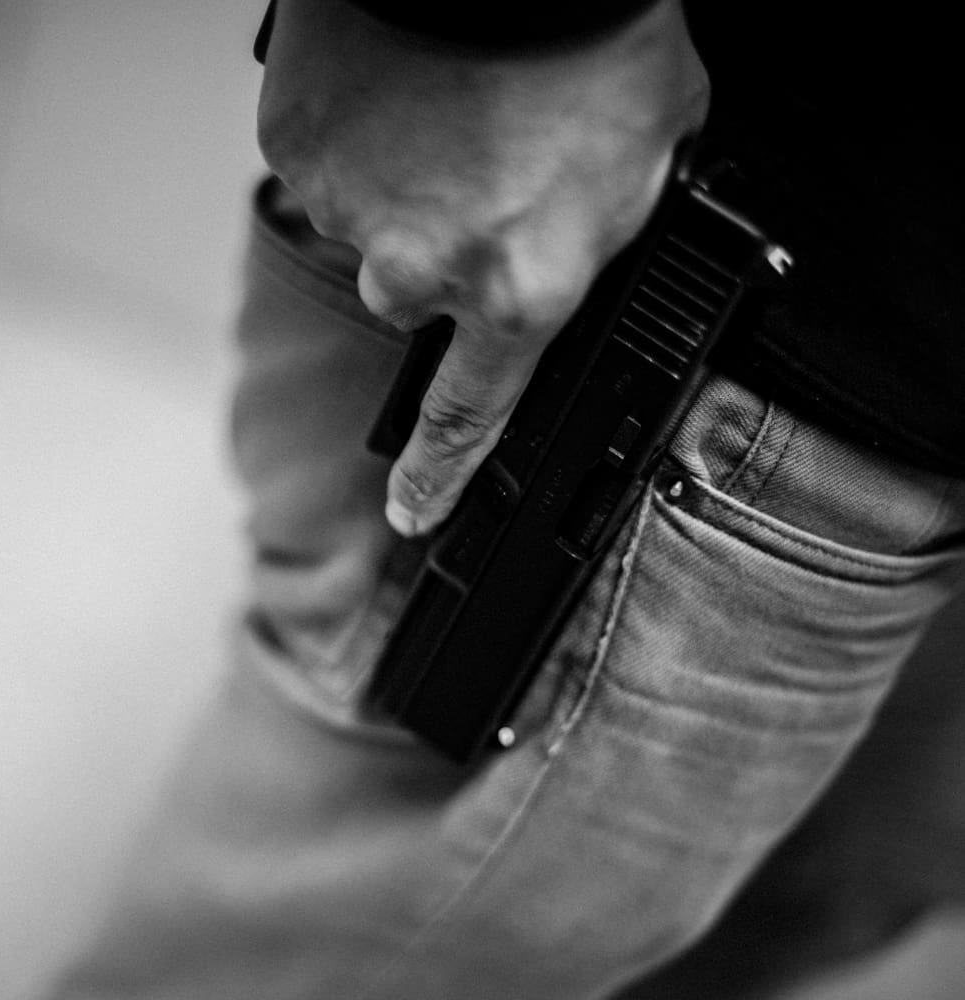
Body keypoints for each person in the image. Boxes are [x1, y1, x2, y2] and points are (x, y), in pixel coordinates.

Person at [48, 1, 965, 996]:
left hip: (871, 376)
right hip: (686, 323)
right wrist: (478, 27)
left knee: (824, 894)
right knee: (311, 934)